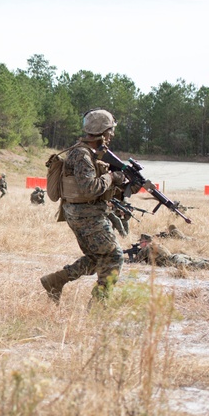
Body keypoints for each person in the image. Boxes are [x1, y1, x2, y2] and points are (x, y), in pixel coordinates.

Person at [39, 109, 145, 305]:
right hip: (86, 215)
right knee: (114, 256)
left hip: (86, 213)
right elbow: (90, 187)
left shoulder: (93, 153)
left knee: (97, 258)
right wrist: (112, 177)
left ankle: (56, 281)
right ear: (103, 131)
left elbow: (103, 189)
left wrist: (127, 188)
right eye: (111, 130)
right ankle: (99, 303)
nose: (112, 135)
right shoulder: (81, 154)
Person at [126, 234, 209, 272]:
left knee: (197, 266)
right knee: (200, 261)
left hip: (174, 261)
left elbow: (136, 262)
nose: (140, 245)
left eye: (141, 243)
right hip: (177, 256)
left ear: (145, 242)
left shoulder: (147, 248)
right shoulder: (156, 245)